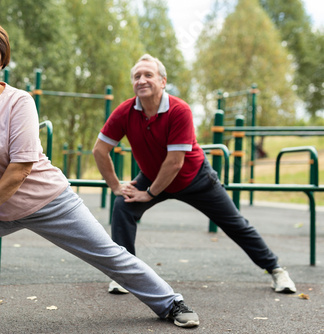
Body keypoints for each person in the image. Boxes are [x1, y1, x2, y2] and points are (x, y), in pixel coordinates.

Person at [0, 21, 200, 332]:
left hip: (49, 201)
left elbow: (20, 168)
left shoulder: (19, 102)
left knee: (110, 255)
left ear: (3, 59)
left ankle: (171, 302)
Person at [92, 54, 297, 296]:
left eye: (149, 75)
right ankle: (125, 276)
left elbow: (175, 162)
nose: (142, 80)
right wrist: (116, 186)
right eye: (137, 76)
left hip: (195, 178)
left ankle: (275, 269)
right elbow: (99, 150)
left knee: (236, 224)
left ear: (163, 81)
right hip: (152, 176)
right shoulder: (125, 112)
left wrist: (149, 194)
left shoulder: (179, 110)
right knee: (123, 206)